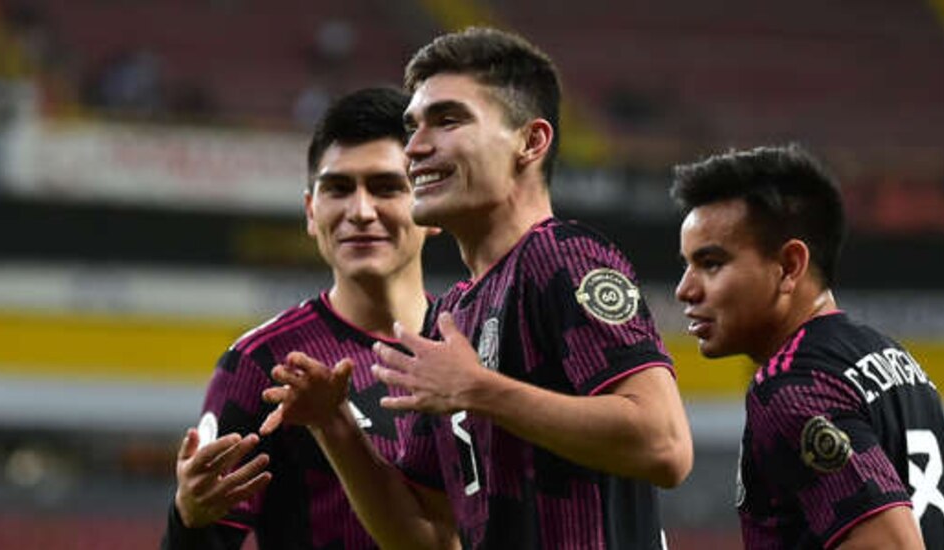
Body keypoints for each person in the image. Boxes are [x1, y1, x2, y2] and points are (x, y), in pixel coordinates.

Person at [262, 26, 693, 549]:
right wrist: (335, 426)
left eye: (448, 121)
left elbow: (665, 445)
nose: (415, 147)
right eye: (413, 127)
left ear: (530, 142)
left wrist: (479, 390)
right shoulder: (453, 315)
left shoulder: (563, 256)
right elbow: (425, 535)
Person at [161, 86, 437, 549]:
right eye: (338, 189)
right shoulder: (262, 364)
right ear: (311, 211)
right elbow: (205, 532)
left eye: (387, 187)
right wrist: (187, 519)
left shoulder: (475, 342)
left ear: (431, 205)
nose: (360, 211)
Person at [671, 144, 944, 549]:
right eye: (687, 265)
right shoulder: (898, 362)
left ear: (789, 266)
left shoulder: (793, 387)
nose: (685, 289)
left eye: (711, 263)